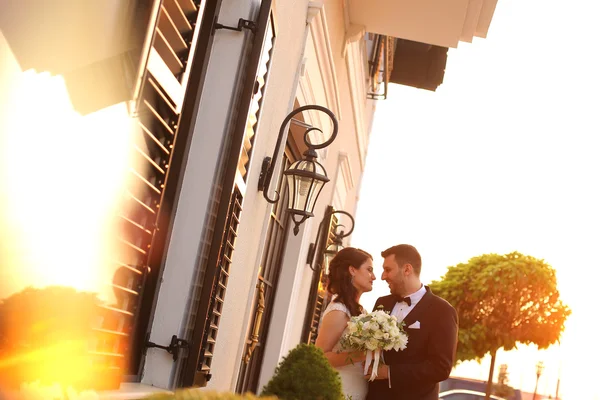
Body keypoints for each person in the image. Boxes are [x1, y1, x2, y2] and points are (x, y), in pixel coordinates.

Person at [366, 244, 458, 400]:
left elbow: (440, 368)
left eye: (388, 270)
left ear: (407, 269)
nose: (382, 276)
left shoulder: (442, 311)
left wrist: (389, 372)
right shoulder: (382, 303)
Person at [315, 247, 376, 400]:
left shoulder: (361, 311)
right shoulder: (339, 310)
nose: (374, 276)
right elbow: (319, 357)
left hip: (357, 390)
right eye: (369, 270)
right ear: (352, 270)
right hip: (339, 390)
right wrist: (363, 354)